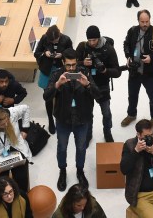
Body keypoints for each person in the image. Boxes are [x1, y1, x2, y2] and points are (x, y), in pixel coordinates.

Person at [46, 49, 100, 191]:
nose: (71, 68)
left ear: (77, 62)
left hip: (82, 119)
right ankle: (62, 171)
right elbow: (46, 96)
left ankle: (80, 171)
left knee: (81, 147)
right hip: (63, 119)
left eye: (74, 65)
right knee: (62, 147)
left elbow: (98, 95)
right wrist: (58, 85)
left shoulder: (84, 73)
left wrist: (87, 85)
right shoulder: (57, 74)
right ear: (63, 62)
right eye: (68, 65)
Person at [122, 10, 153, 128]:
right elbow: (126, 44)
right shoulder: (132, 31)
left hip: (150, 72)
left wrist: (152, 58)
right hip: (134, 71)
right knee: (132, 95)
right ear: (138, 20)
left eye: (147, 21)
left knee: (152, 95)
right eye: (142, 21)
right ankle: (131, 114)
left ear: (150, 20)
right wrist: (128, 56)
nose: (144, 24)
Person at [75, 25, 121, 143]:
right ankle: (88, 135)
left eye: (94, 40)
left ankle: (107, 133)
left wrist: (105, 70)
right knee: (88, 114)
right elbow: (72, 65)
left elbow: (117, 72)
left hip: (102, 86)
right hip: (86, 85)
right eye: (89, 40)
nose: (91, 43)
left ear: (99, 38)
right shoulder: (82, 47)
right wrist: (82, 62)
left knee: (106, 113)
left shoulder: (109, 49)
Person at [0, 105, 33, 192]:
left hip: (15, 147)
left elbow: (26, 108)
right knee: (2, 184)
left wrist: (25, 129)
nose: (6, 125)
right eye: (2, 124)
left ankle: (22, 195)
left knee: (21, 178)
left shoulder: (12, 113)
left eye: (7, 121)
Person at [34, 25, 73, 134]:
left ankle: (62, 116)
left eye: (56, 40)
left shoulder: (66, 39)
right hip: (47, 70)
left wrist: (62, 55)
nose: (54, 42)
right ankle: (51, 119)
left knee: (62, 94)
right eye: (52, 41)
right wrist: (44, 53)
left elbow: (71, 55)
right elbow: (36, 53)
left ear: (59, 34)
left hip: (61, 69)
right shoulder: (44, 38)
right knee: (48, 96)